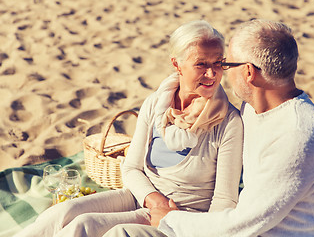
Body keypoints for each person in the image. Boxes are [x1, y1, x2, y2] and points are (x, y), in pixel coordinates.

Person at [107, 19, 314, 236]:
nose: (218, 73)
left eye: (225, 64)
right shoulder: (254, 109)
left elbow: (240, 225)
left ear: (248, 72)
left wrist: (170, 219)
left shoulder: (297, 135)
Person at [14, 20, 243, 237]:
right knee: (62, 213)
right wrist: (153, 199)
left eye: (218, 63)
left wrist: (178, 221)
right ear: (177, 64)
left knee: (86, 225)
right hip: (142, 197)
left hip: (184, 215)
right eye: (202, 64)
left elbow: (225, 201)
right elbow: (131, 168)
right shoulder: (156, 103)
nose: (212, 74)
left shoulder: (228, 122)